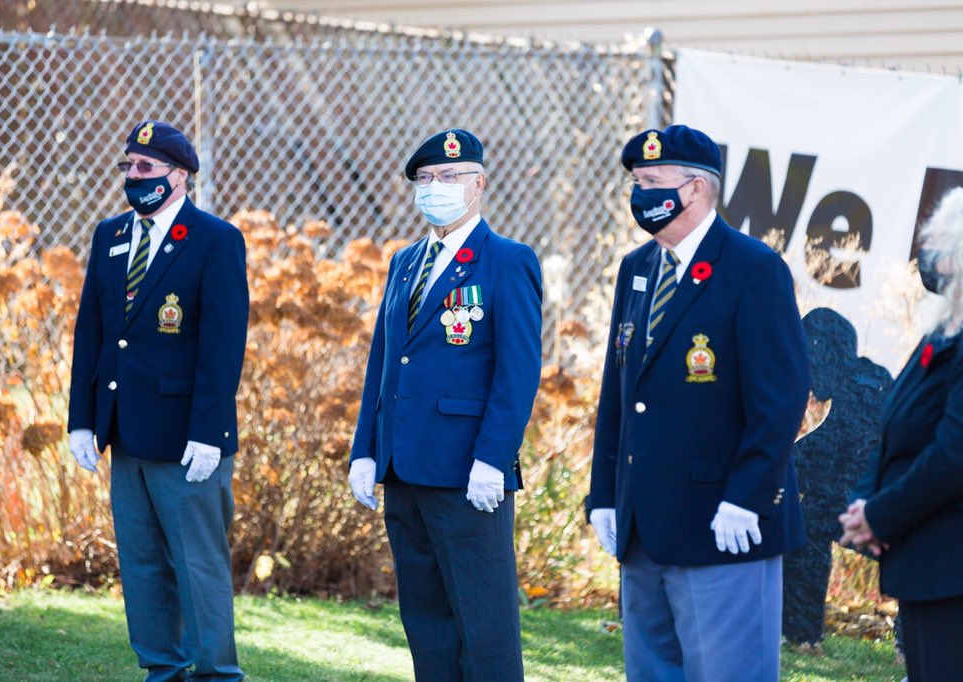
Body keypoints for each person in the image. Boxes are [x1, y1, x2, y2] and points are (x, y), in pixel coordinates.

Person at [586, 124, 810, 681]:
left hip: (722, 521)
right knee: (652, 670)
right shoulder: (638, 270)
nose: (640, 194)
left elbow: (780, 400)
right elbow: (619, 395)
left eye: (653, 181)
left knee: (726, 671)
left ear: (694, 189)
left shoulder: (752, 269)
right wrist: (604, 495)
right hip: (643, 524)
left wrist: (747, 497)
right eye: (636, 181)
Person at [347, 129, 542, 681]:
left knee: (486, 627)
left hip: (467, 472)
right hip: (404, 467)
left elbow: (517, 372)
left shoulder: (507, 261)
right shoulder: (405, 262)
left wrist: (493, 460)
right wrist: (366, 449)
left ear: (479, 183)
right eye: (427, 179)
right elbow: (383, 365)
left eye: (451, 177)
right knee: (427, 624)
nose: (437, 187)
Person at [68, 121, 249, 682]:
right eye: (127, 166)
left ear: (179, 175)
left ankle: (215, 673)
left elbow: (223, 345)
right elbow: (92, 333)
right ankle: (162, 668)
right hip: (126, 431)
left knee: (198, 566)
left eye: (145, 168)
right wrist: (82, 420)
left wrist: (209, 430)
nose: (133, 177)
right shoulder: (110, 235)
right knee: (143, 563)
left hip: (186, 435)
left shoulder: (215, 239)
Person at [840, 186, 963, 682]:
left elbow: (953, 456)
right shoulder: (944, 331)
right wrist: (866, 505)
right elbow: (898, 425)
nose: (929, 254)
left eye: (938, 241)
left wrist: (881, 516)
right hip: (928, 564)